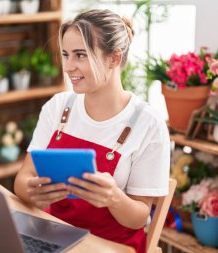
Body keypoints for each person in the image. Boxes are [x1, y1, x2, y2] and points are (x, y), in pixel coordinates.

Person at [14, 9, 170, 252]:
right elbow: (23, 178)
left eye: (80, 55)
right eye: (65, 55)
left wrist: (113, 198)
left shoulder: (148, 125)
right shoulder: (58, 108)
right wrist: (32, 192)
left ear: (114, 58)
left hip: (111, 246)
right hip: (54, 235)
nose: (68, 66)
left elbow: (140, 216)